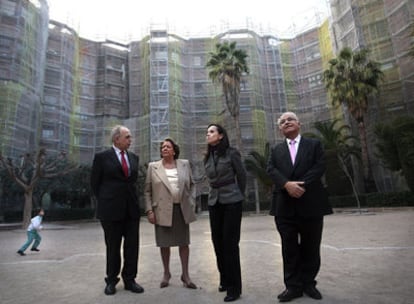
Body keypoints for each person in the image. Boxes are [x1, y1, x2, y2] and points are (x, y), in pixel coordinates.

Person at [266, 112, 333, 302]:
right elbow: (271, 169)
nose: (286, 122)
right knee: (289, 248)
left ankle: (309, 284)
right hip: (284, 207)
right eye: (282, 122)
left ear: (299, 124)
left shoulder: (314, 145)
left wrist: (299, 185)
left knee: (311, 247)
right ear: (280, 129)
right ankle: (293, 287)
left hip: (311, 203)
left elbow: (319, 166)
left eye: (290, 119)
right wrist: (287, 185)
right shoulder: (276, 150)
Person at [90, 125, 144, 296]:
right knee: (113, 247)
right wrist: (107, 200)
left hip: (131, 210)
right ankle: (111, 280)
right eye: (127, 137)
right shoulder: (102, 157)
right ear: (116, 139)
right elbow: (94, 184)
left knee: (132, 246)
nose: (130, 140)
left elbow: (133, 182)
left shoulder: (134, 157)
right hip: (110, 210)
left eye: (130, 137)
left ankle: (130, 279)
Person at [144, 138, 197, 289]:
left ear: (174, 150)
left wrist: (191, 201)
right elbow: (147, 191)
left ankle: (185, 275)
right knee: (164, 244)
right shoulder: (153, 167)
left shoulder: (184, 164)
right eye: (162, 147)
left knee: (184, 243)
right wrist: (149, 210)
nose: (164, 148)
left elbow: (192, 185)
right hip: (161, 210)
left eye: (168, 146)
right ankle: (166, 273)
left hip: (181, 209)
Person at [203, 123, 247, 302]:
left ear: (221, 135)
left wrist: (239, 196)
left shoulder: (231, 153)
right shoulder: (207, 157)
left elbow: (242, 175)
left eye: (212, 131)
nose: (208, 134)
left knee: (230, 244)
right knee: (217, 242)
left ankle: (234, 288)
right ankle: (224, 278)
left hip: (232, 201)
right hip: (214, 201)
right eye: (207, 132)